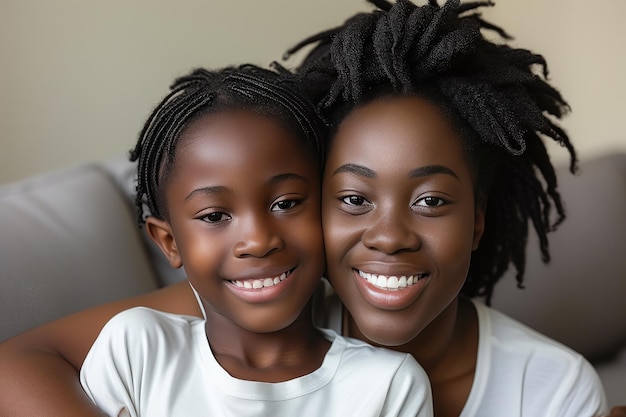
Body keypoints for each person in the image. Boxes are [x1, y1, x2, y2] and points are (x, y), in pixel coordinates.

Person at [0, 1, 623, 416]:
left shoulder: (553, 390)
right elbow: (18, 362)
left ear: (478, 217)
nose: (389, 236)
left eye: (432, 200)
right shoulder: (274, 302)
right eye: (352, 199)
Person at [75, 64, 433, 416]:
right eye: (215, 216)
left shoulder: (389, 386)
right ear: (169, 242)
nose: (259, 241)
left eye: (286, 203)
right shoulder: (136, 350)